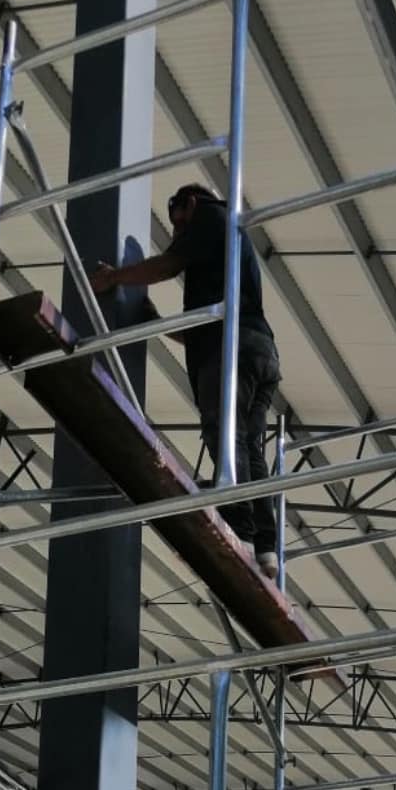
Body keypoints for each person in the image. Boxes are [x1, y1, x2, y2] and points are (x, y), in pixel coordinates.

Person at [90, 184, 281, 578]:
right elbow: (200, 329)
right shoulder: (228, 242)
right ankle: (266, 548)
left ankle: (239, 528)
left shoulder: (210, 216)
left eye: (177, 223)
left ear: (189, 203)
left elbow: (166, 266)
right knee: (250, 446)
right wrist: (160, 325)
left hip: (232, 349)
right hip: (260, 353)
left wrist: (116, 278)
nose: (177, 235)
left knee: (223, 432)